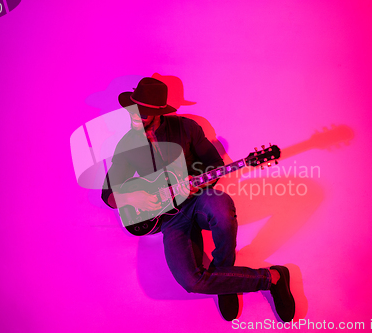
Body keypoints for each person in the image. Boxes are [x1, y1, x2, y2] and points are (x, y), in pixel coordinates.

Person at [101, 77, 295, 322]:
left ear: (159, 112)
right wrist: (132, 195)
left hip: (199, 198)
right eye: (134, 110)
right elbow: (108, 192)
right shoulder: (126, 145)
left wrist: (194, 184)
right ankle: (270, 278)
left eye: (145, 112)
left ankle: (225, 276)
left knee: (222, 210)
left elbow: (215, 164)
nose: (138, 115)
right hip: (169, 219)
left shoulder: (186, 127)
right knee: (190, 281)